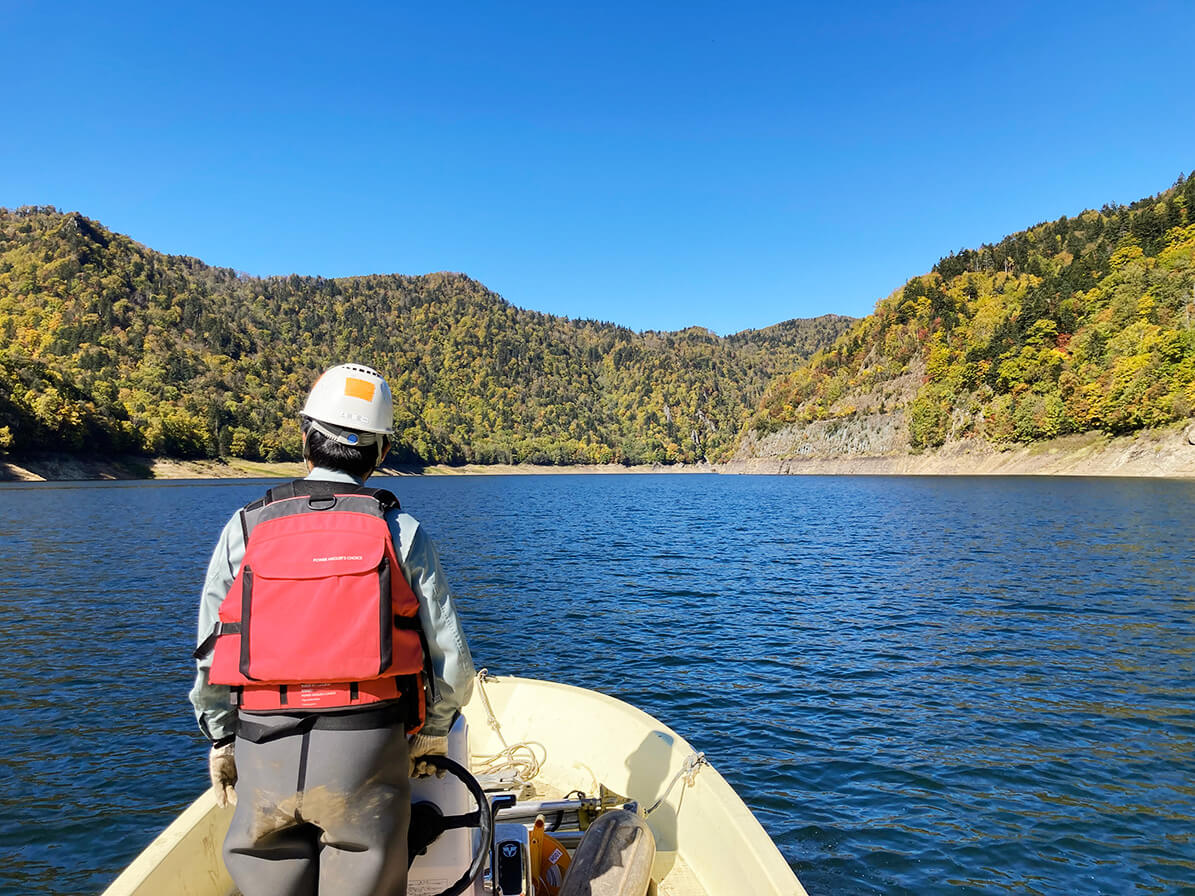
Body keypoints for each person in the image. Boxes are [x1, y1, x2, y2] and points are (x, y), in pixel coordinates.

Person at [189, 362, 475, 896]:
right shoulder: (399, 531)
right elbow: (452, 664)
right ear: (382, 453)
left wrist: (222, 737)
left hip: (261, 742)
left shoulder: (246, 527)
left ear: (305, 438)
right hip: (366, 746)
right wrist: (433, 730)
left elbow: (213, 647)